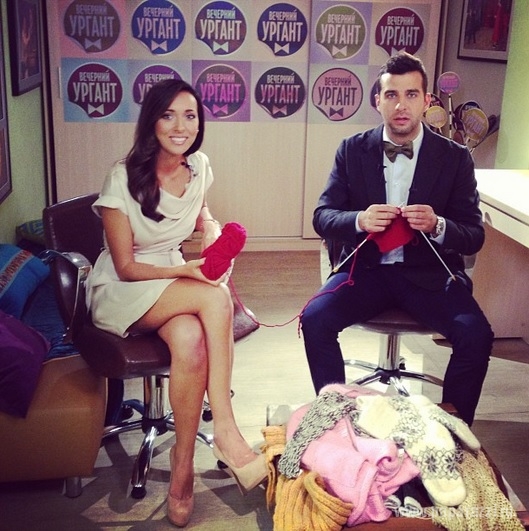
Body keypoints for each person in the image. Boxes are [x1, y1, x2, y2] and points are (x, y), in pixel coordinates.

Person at [87, 79, 267, 527]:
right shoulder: (121, 177)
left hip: (169, 274)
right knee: (215, 295)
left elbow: (200, 210)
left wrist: (210, 227)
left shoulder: (199, 166)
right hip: (124, 287)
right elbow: (126, 266)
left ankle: (182, 465)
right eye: (168, 115)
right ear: (152, 121)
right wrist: (186, 270)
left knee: (190, 340)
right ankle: (225, 427)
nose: (180, 126)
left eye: (190, 116)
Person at [300, 52, 493, 427]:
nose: (401, 105)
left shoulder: (455, 158)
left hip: (430, 277)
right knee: (314, 319)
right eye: (391, 95)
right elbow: (322, 217)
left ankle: (453, 433)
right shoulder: (352, 150)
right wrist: (360, 219)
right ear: (378, 100)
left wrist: (437, 224)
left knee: (476, 335)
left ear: (426, 101)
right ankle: (335, 421)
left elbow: (473, 237)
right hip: (365, 272)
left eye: (411, 94)